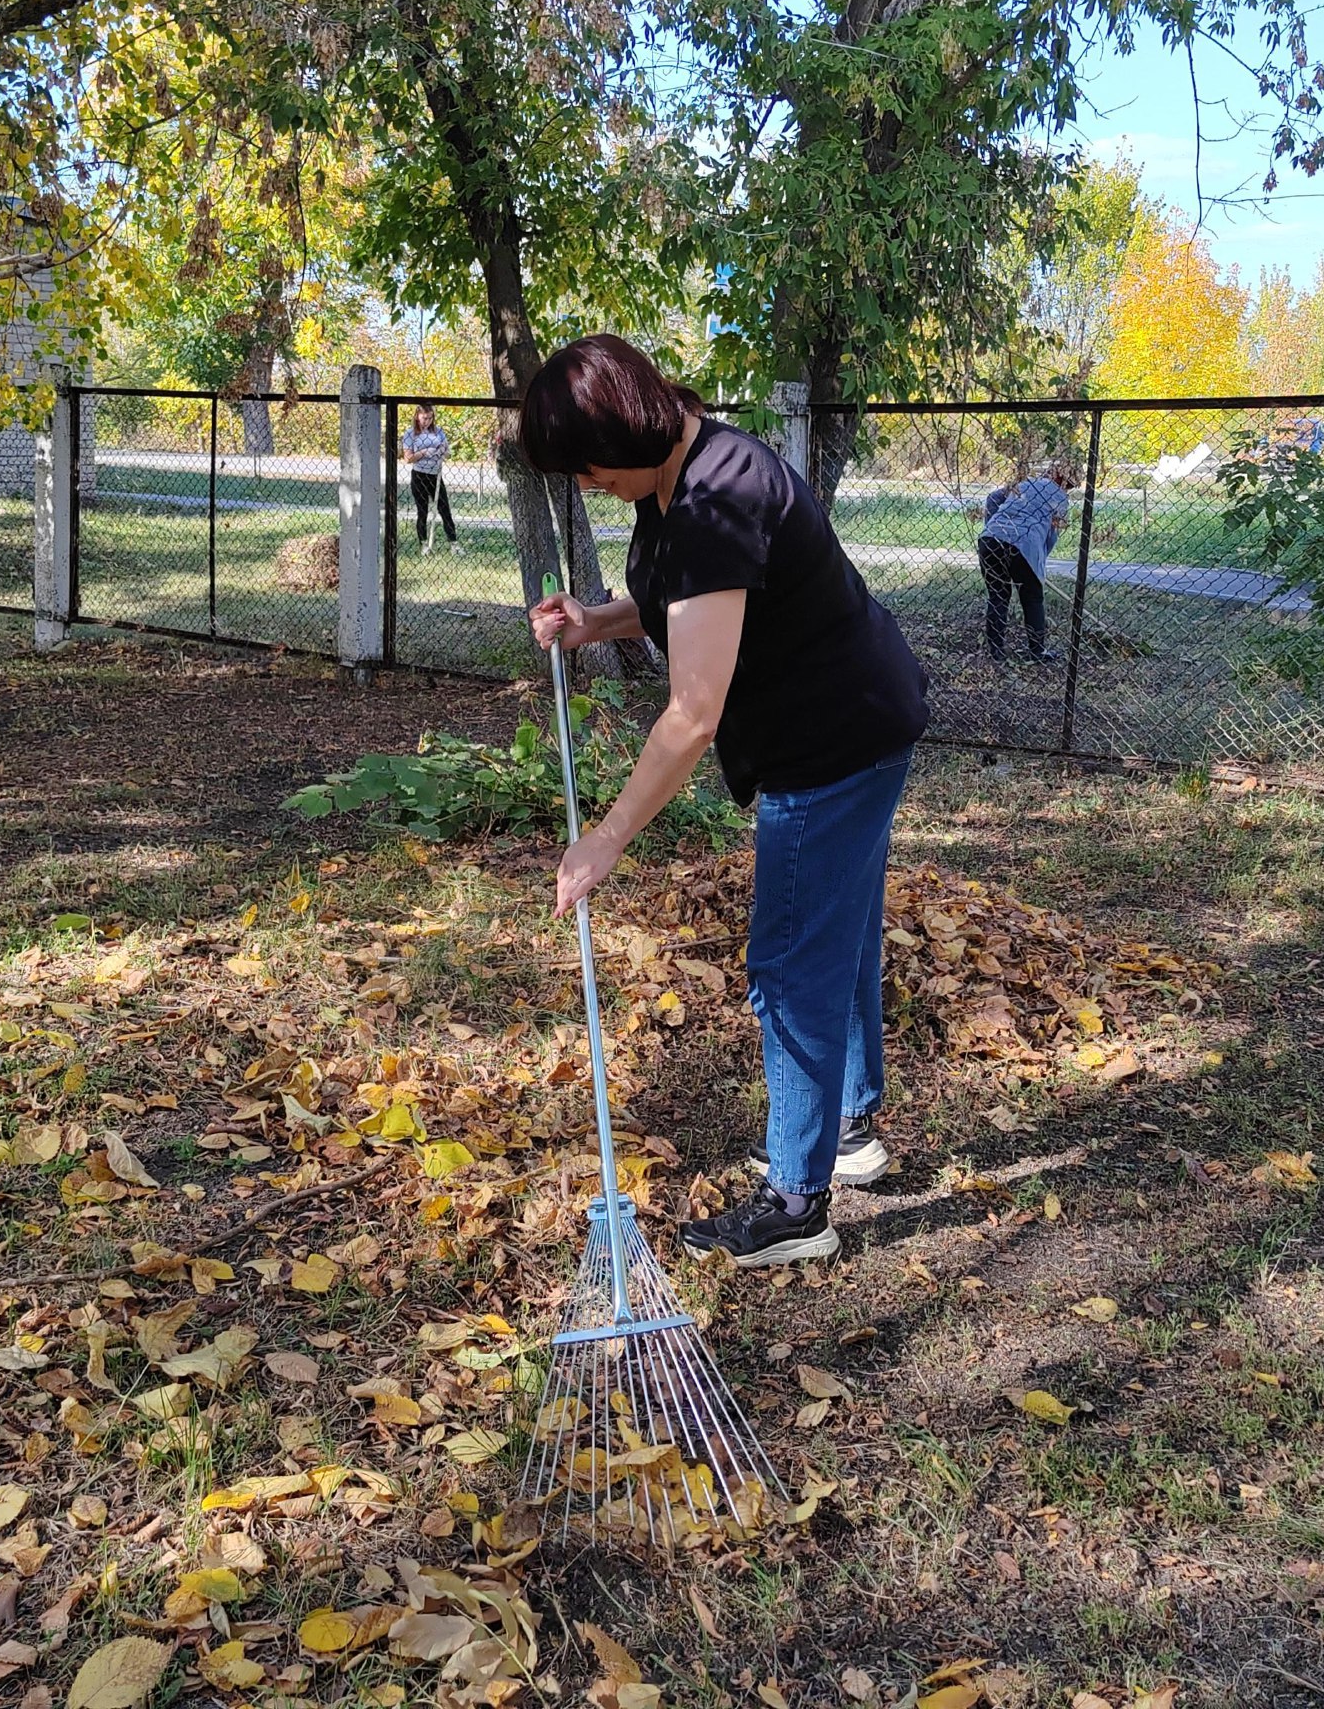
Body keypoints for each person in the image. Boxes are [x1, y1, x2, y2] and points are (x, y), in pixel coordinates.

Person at [521, 336, 928, 1267]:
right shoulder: (682, 474)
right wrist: (596, 620)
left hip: (831, 746)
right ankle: (852, 1131)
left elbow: (694, 713)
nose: (586, 484)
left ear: (625, 429)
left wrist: (606, 840)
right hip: (860, 720)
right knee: (843, 934)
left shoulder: (715, 495)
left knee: (791, 966)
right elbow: (689, 599)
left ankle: (795, 1202)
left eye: (587, 466)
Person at [976, 459, 1073, 664]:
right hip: (1024, 546)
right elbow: (1051, 536)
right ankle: (1037, 652)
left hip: (990, 540)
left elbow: (993, 498)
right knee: (1033, 598)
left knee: (998, 597)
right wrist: (1038, 562)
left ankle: (996, 653)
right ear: (1063, 480)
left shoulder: (1025, 484)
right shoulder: (1060, 498)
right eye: (1071, 484)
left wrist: (993, 527)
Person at [403, 404, 458, 552]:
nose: (427, 421)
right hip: (419, 475)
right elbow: (408, 458)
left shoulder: (438, 432)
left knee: (444, 509)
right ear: (417, 416)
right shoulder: (410, 434)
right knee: (422, 511)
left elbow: (448, 453)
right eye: (424, 418)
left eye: (430, 418)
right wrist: (423, 453)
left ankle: (454, 543)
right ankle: (424, 544)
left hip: (436, 475)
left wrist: (443, 451)